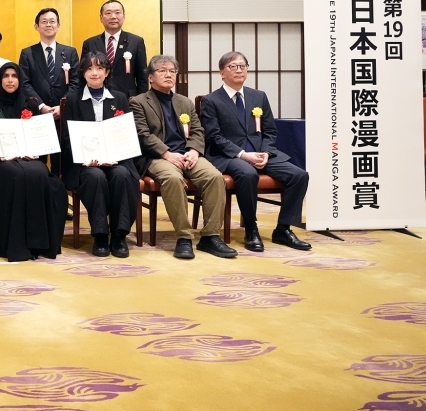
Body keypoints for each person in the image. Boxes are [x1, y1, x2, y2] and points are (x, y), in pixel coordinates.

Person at [199, 51, 312, 252]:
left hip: (261, 153)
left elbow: (270, 131)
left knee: (299, 175)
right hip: (229, 155)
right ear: (222, 73)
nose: (239, 70)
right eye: (233, 66)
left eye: (243, 66)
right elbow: (214, 136)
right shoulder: (211, 100)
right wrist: (243, 155)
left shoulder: (258, 96)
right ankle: (251, 229)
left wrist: (266, 153)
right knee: (247, 174)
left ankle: (283, 229)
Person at [130, 55, 236, 260]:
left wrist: (194, 151)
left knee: (215, 177)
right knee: (173, 179)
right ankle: (184, 236)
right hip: (157, 157)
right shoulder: (139, 102)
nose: (168, 74)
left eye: (172, 71)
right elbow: (143, 135)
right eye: (162, 70)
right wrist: (166, 153)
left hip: (187, 154)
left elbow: (198, 131)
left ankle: (210, 236)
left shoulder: (184, 102)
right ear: (151, 77)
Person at [0, 62, 67, 262]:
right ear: (0, 80)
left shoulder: (30, 106)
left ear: (20, 80)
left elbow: (40, 140)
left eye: (14, 76)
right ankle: (16, 245)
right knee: (16, 174)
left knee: (39, 172)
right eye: (6, 76)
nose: (10, 80)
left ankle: (39, 243)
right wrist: (0, 156)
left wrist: (35, 153)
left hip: (28, 158)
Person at [61, 53, 140, 258]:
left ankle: (119, 235)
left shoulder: (119, 98)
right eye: (89, 69)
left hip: (116, 159)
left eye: (99, 68)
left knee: (122, 175)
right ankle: (101, 235)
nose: (94, 73)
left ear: (107, 72)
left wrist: (116, 155)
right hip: (85, 162)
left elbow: (126, 133)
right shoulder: (73, 99)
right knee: (95, 177)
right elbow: (68, 137)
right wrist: (86, 158)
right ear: (83, 73)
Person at [18, 7, 78, 174]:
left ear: (58, 25)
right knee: (38, 161)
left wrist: (62, 106)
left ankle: (61, 189)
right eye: (44, 22)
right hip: (37, 114)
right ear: (36, 26)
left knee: (62, 161)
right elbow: (25, 83)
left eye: (52, 21)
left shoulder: (70, 52)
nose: (48, 25)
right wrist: (41, 106)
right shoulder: (27, 53)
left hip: (63, 114)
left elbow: (76, 83)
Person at [80, 0, 148, 97]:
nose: (113, 16)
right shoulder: (89, 43)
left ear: (123, 16)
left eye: (117, 12)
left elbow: (142, 77)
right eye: (108, 13)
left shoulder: (136, 42)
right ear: (101, 18)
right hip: (96, 96)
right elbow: (83, 73)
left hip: (128, 98)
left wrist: (141, 101)